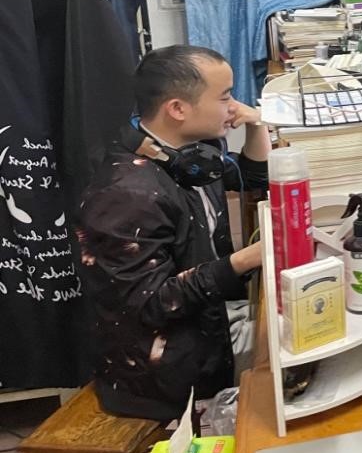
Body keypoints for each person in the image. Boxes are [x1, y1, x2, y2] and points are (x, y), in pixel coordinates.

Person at [77, 45, 269, 420]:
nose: (234, 107)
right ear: (178, 109)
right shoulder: (125, 195)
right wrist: (246, 259)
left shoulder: (189, 155)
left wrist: (257, 123)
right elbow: (150, 303)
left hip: (210, 325)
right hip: (165, 375)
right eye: (225, 97)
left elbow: (253, 179)